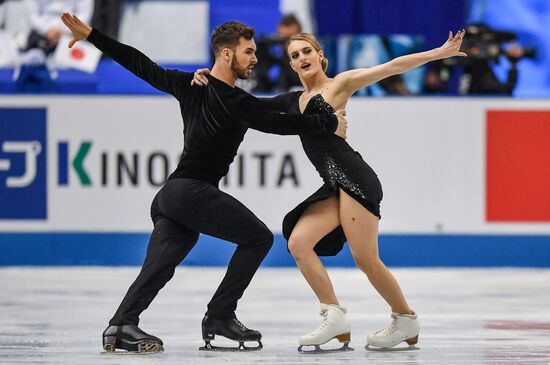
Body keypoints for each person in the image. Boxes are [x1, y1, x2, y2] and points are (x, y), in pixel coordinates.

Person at [60, 13, 347, 354]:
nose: (255, 58)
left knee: (160, 266)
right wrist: (327, 122)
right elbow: (278, 124)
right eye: (248, 52)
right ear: (227, 55)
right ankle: (220, 315)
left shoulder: (201, 88)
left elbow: (144, 66)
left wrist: (94, 35)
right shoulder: (225, 98)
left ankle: (121, 324)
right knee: (257, 238)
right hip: (192, 190)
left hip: (172, 196)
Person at [193, 29, 466, 352]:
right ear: (292, 66)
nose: (302, 58)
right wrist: (208, 79)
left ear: (320, 56)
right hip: (335, 185)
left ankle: (405, 319)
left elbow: (390, 67)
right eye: (295, 56)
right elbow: (246, 105)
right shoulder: (293, 101)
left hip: (356, 180)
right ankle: (334, 316)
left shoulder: (340, 84)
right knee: (298, 242)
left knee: (366, 260)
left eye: (307, 51)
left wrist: (436, 54)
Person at [24, 0, 93, 54]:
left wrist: (64, 31)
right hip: (42, 34)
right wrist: (48, 31)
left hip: (72, 34)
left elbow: (85, 16)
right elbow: (32, 16)